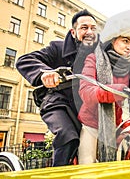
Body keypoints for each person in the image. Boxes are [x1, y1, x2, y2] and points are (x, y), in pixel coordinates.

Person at [16, 9, 99, 166]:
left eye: (93, 28)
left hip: (86, 108)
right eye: (84, 27)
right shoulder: (58, 48)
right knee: (67, 136)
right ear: (73, 32)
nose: (89, 32)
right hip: (57, 103)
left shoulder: (100, 56)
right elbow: (24, 60)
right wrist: (45, 73)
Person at [77, 18, 130, 164]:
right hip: (91, 124)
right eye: (125, 41)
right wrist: (119, 91)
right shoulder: (93, 59)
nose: (129, 47)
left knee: (116, 168)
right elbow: (86, 91)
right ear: (112, 40)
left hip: (115, 126)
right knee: (87, 168)